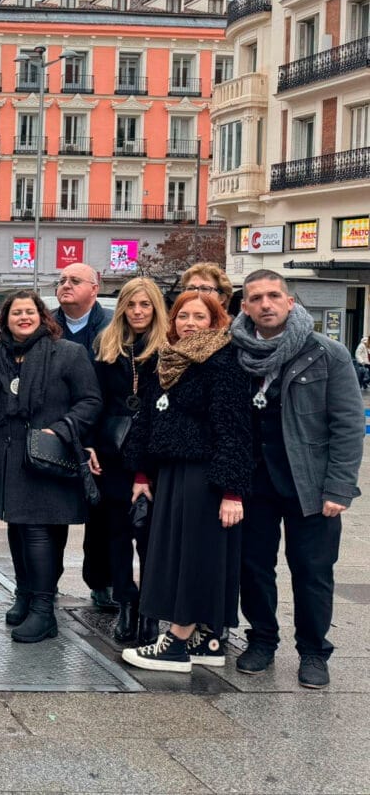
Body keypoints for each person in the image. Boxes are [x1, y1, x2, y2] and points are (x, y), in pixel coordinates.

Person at [232, 270, 363, 689]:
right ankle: (262, 640)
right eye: (256, 298)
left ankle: (312, 651)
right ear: (245, 306)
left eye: (274, 295)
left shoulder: (327, 352)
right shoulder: (235, 353)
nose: (265, 304)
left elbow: (346, 424)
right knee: (253, 567)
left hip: (310, 483)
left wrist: (339, 487)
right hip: (254, 483)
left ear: (290, 302)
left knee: (312, 571)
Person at [120, 291, 253, 673]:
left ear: (215, 321)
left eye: (199, 317)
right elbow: (148, 419)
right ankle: (205, 640)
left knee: (195, 557)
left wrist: (232, 491)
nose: (190, 324)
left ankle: (177, 642)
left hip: (206, 475)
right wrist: (142, 473)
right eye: (183, 316)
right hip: (173, 472)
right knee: (179, 554)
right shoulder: (168, 359)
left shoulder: (222, 362)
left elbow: (233, 430)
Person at [0, 289, 102, 644]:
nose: (23, 317)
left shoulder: (67, 353)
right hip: (9, 456)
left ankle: (43, 611)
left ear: (42, 316)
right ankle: (25, 594)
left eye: (29, 312)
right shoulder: (0, 356)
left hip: (48, 455)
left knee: (37, 531)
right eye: (16, 313)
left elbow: (91, 400)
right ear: (6, 320)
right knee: (17, 530)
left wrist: (62, 429)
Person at [90, 277, 169, 645]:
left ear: (156, 309)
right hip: (113, 454)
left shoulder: (169, 350)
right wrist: (89, 444)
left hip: (154, 456)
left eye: (145, 305)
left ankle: (152, 609)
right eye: (131, 305)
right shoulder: (107, 346)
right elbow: (94, 400)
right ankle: (126, 601)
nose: (138, 311)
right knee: (117, 535)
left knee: (151, 537)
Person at [51, 262, 115, 614]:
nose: (66, 285)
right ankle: (44, 585)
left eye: (75, 280)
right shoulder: (46, 325)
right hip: (57, 430)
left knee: (102, 517)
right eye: (61, 280)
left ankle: (100, 582)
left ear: (95, 287)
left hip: (102, 435)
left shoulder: (111, 327)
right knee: (52, 512)